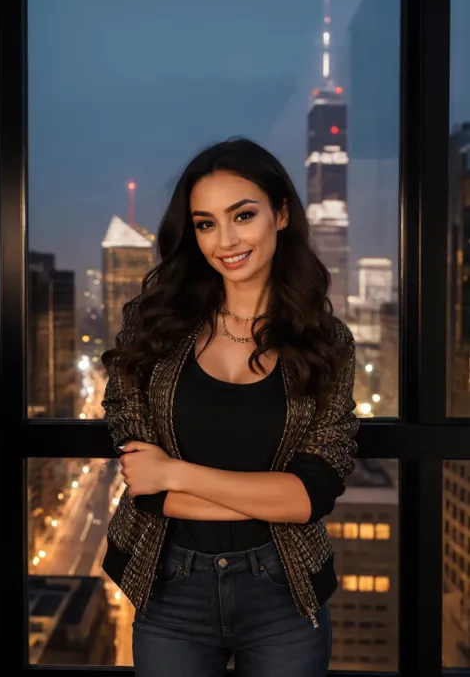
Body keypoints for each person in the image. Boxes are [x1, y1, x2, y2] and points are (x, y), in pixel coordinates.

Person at [101, 137, 360, 677]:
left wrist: (175, 473)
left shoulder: (326, 341)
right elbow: (146, 493)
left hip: (283, 592)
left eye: (243, 215)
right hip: (171, 586)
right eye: (205, 223)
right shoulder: (151, 328)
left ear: (281, 213)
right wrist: (267, 497)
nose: (225, 240)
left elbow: (311, 495)